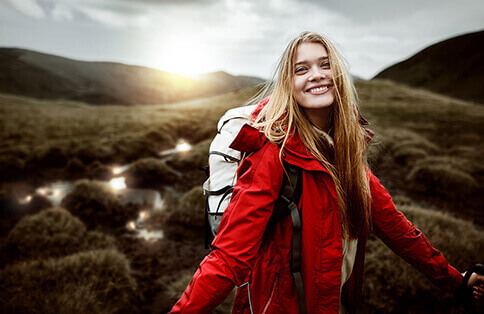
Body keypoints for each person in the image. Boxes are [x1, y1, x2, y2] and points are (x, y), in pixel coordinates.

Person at [170, 31, 484, 313]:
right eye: (301, 69)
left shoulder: (343, 151)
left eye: (325, 64)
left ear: (338, 73)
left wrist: (456, 281)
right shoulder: (273, 152)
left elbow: (395, 226)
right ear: (288, 84)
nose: (317, 76)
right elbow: (228, 259)